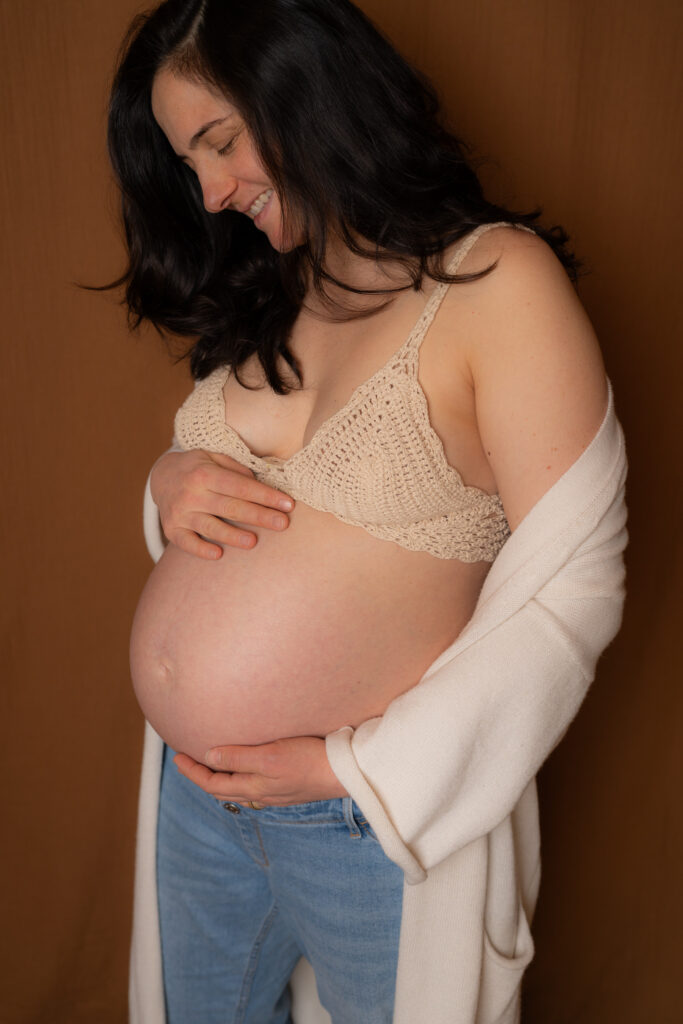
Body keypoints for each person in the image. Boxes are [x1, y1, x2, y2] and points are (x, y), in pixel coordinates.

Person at [107, 1, 628, 1022]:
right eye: (186, 163)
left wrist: (366, 772)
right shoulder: (276, 286)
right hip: (197, 800)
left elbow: (576, 586)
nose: (209, 193)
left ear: (305, 90)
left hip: (363, 825)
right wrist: (165, 486)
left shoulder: (494, 283)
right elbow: (233, 505)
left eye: (220, 141)